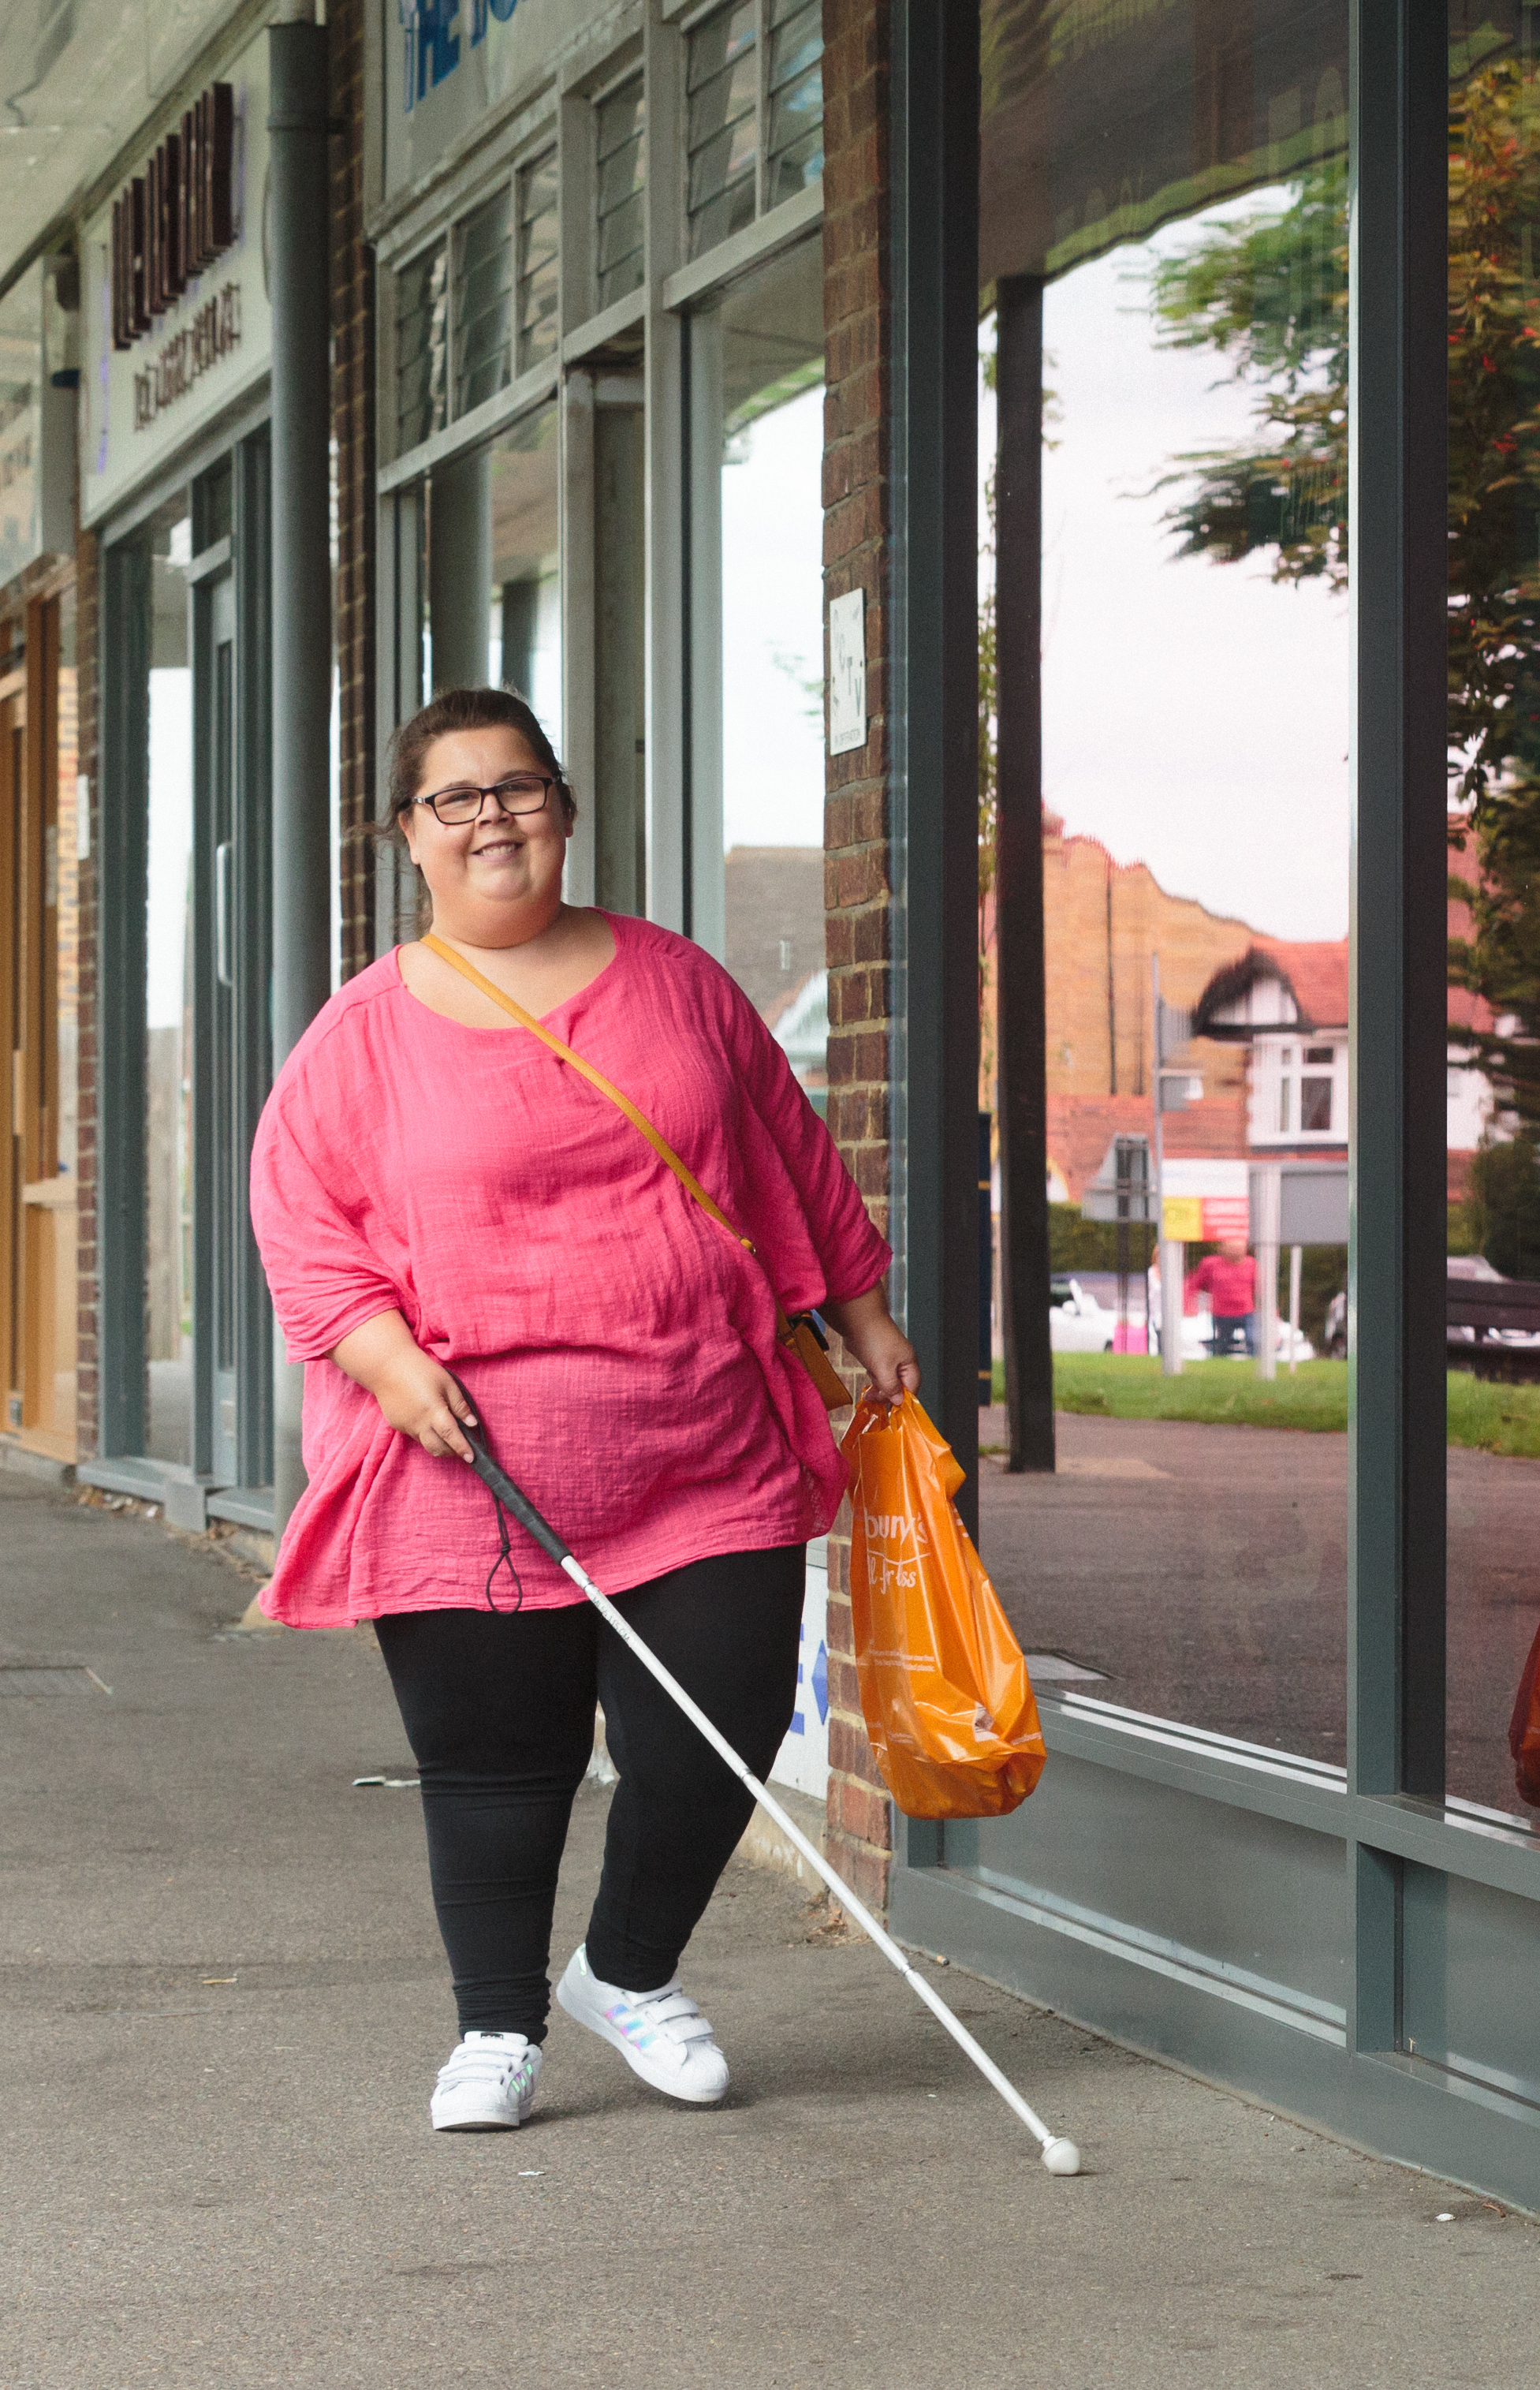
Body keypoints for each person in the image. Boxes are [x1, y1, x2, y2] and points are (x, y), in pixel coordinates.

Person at [248, 685, 918, 2134]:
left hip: (702, 1436)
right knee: (499, 1770)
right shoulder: (358, 1036)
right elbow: (301, 1221)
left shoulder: (677, 983)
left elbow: (788, 1151)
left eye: (517, 786)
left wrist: (861, 1312)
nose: (492, 815)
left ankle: (626, 1973)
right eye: (455, 797)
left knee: (718, 1732)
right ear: (406, 836)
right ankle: (495, 2026)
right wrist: (376, 1357)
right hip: (467, 1463)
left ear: (562, 804)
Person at [1185, 1235, 1256, 1357]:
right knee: (1223, 1345)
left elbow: (1261, 1289)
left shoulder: (1252, 1264)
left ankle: (1257, 1367)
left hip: (1246, 1312)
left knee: (1253, 1341)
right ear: (1222, 1248)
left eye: (1239, 1248)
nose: (1236, 1251)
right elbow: (1194, 1283)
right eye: (1232, 1248)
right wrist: (1188, 1303)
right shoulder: (1210, 1264)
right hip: (1222, 1313)